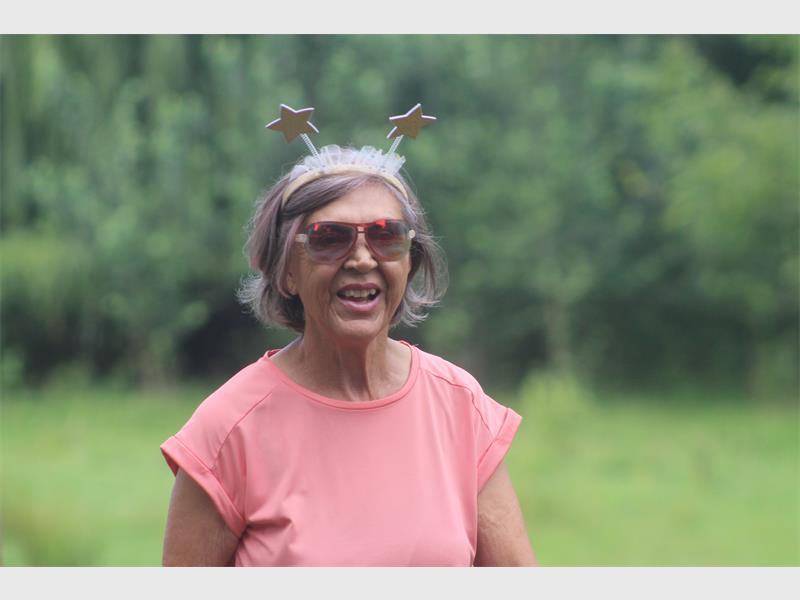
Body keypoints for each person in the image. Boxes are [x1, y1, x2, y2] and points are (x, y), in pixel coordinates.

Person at [160, 106, 536, 566]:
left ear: (410, 262)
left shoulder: (460, 406)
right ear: (287, 272)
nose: (361, 258)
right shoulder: (227, 429)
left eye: (386, 236)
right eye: (328, 238)